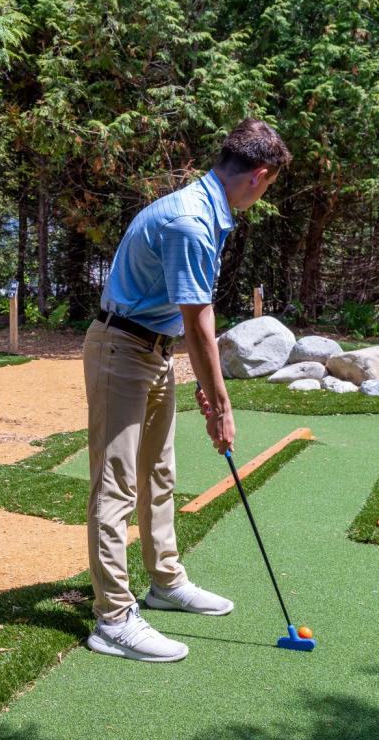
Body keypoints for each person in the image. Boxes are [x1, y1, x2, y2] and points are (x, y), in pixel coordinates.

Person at [82, 118, 292, 662]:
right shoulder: (191, 222)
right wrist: (220, 405)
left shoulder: (207, 210)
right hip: (121, 352)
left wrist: (197, 377)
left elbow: (187, 321)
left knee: (159, 473)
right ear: (259, 176)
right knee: (116, 485)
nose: (264, 194)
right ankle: (112, 619)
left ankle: (165, 582)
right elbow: (200, 320)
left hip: (152, 351)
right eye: (269, 186)